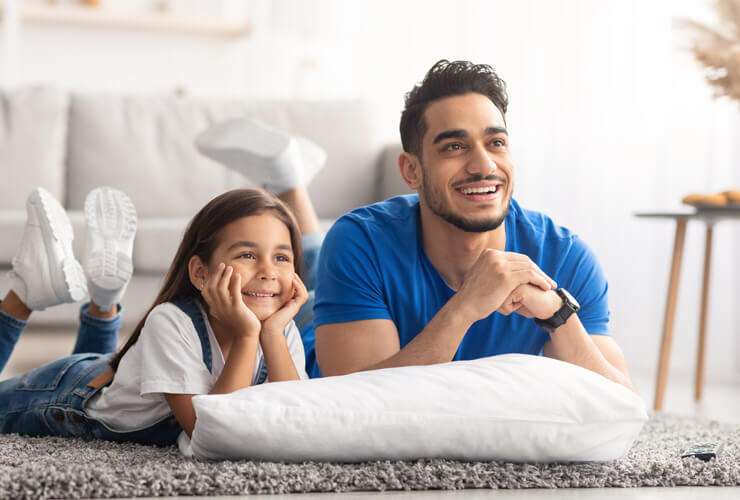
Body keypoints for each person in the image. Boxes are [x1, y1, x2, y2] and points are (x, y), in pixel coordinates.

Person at [310, 59, 633, 390]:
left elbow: (622, 402)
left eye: (496, 143)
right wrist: (465, 308)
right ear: (411, 171)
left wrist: (557, 314)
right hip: (314, 332)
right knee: (301, 257)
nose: (483, 165)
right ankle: (294, 185)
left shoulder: (565, 258)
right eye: (455, 146)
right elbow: (359, 402)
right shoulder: (360, 241)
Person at [0, 119, 326, 444]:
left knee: (112, 374)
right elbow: (211, 433)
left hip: (116, 375)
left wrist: (269, 334)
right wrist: (246, 335)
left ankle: (103, 303)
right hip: (69, 396)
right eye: (248, 255)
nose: (269, 271)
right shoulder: (171, 321)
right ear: (200, 273)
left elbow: (292, 418)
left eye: (282, 258)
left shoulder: (280, 330)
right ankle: (23, 295)